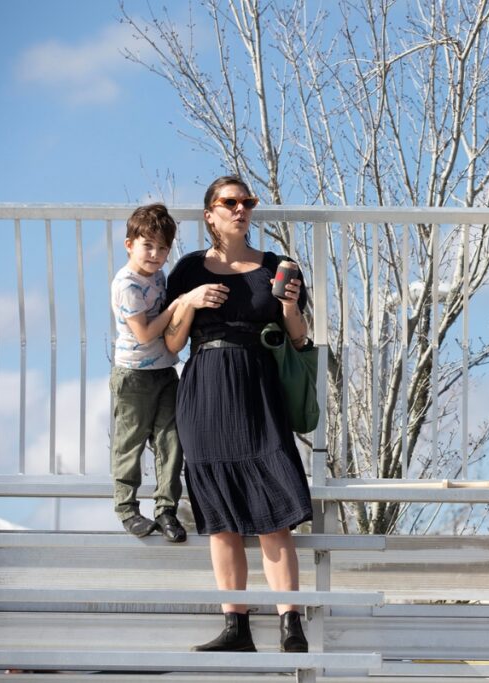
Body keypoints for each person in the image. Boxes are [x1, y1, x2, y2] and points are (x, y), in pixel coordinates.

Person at [164, 176, 313, 653]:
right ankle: (236, 627)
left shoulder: (275, 265)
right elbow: (172, 342)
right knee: (220, 517)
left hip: (257, 384)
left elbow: (298, 337)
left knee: (274, 511)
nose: (240, 209)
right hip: (205, 387)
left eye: (247, 201)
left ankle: (291, 622)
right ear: (209, 213)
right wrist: (189, 301)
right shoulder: (188, 269)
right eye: (230, 202)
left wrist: (289, 304)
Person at [109, 203, 188, 543]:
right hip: (134, 376)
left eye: (163, 248)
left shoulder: (158, 276)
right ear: (129, 244)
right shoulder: (127, 283)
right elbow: (144, 333)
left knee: (171, 440)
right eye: (148, 246)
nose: (156, 255)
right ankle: (126, 508)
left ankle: (166, 509)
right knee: (131, 442)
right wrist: (177, 306)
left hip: (164, 371)